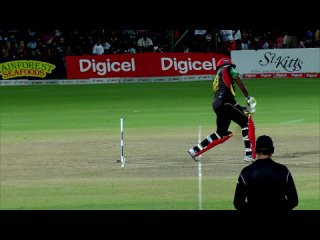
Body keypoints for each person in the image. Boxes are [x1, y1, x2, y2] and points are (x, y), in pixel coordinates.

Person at [187, 57, 257, 162]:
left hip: (218, 105)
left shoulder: (218, 78)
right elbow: (240, 84)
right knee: (245, 124)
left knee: (220, 132)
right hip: (226, 103)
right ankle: (249, 154)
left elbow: (234, 106)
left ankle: (195, 150)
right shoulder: (228, 68)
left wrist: (245, 108)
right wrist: (247, 97)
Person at [233, 135, 299, 212]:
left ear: (255, 150)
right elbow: (293, 201)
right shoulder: (283, 170)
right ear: (273, 150)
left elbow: (238, 203)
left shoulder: (246, 172)